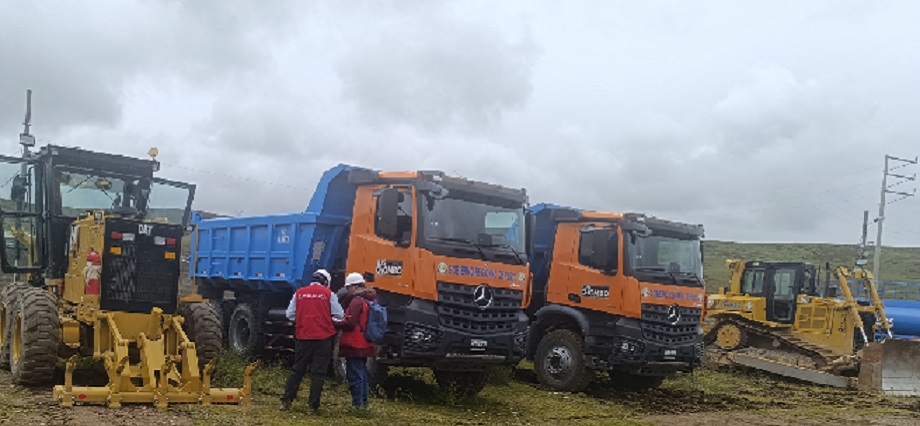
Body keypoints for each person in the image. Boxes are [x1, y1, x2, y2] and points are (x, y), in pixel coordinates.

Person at [280, 269, 344, 413]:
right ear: (326, 282)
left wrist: (303, 320)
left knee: (297, 370)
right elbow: (340, 315)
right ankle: (312, 406)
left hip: (303, 337)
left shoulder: (299, 293)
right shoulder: (329, 295)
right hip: (323, 339)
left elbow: (289, 315)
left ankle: (286, 401)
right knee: (318, 373)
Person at [337, 272, 377, 410]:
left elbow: (350, 323)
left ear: (354, 287)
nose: (347, 291)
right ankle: (364, 403)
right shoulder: (369, 299)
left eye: (348, 288)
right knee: (363, 374)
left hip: (354, 342)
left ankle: (357, 405)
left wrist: (336, 322)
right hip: (365, 341)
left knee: (355, 375)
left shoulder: (356, 301)